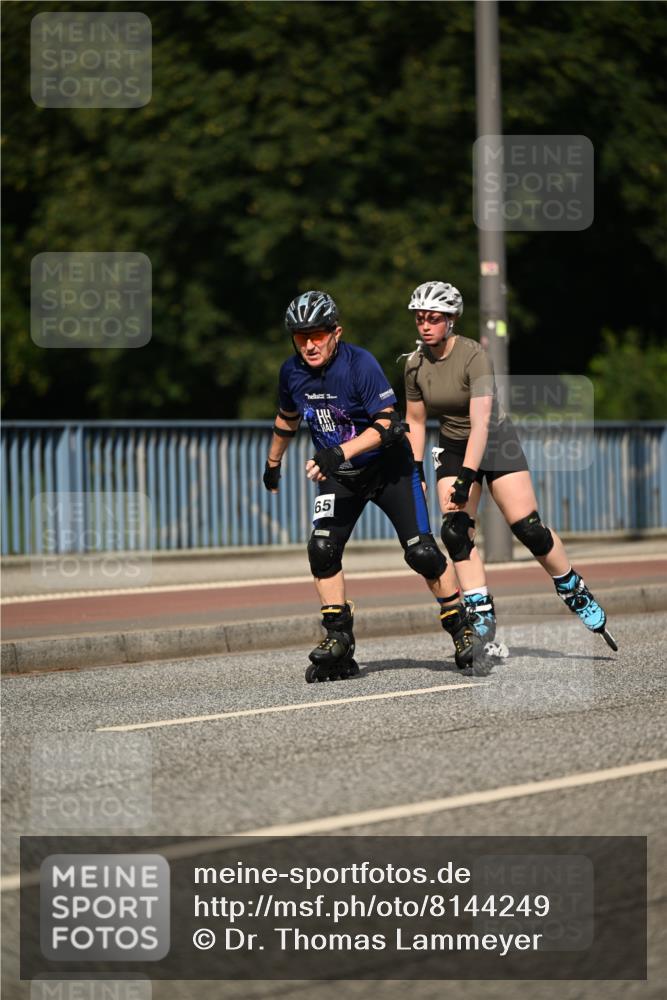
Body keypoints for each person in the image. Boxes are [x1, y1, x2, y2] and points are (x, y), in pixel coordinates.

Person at [402, 280, 617, 666]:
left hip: (495, 440)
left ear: (451, 320)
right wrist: (414, 468)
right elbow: (415, 422)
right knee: (454, 530)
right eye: (419, 318)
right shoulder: (415, 365)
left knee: (528, 528)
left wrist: (468, 476)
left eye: (433, 318)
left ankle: (572, 587)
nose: (425, 325)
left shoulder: (474, 357)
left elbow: (481, 424)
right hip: (451, 444)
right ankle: (480, 614)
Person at [263, 289, 455, 683]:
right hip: (342, 477)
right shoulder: (292, 372)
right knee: (322, 548)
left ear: (337, 332)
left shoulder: (360, 363)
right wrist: (273, 463)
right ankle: (339, 642)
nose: (309, 344)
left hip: (390, 469)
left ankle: (463, 627)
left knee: (421, 553)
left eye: (317, 335)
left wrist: (337, 453)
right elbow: (287, 419)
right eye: (301, 337)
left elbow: (387, 426)